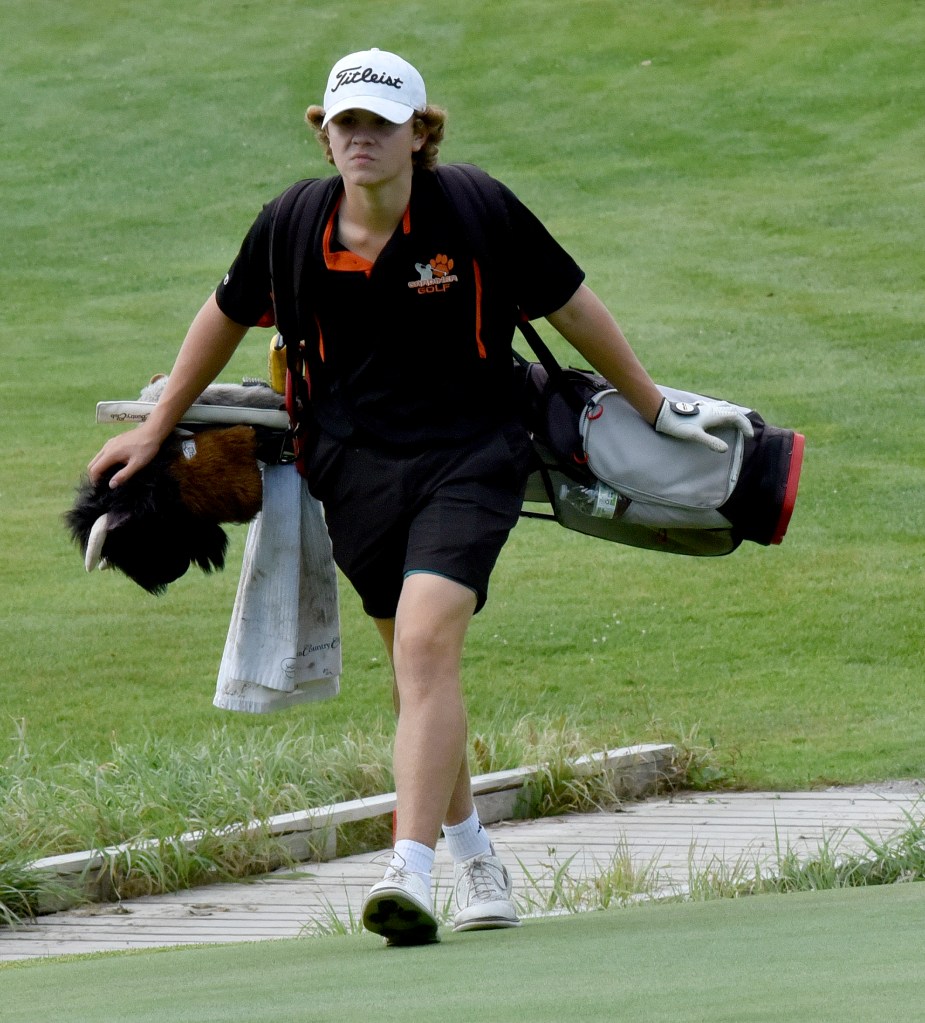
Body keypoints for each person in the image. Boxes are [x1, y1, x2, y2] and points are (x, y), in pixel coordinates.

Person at [88, 48, 753, 945]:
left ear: (419, 133)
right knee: (415, 673)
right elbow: (224, 313)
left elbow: (570, 305)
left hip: (472, 455)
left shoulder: (475, 209)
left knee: (428, 643)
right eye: (345, 123)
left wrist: (652, 404)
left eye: (381, 123)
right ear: (325, 134)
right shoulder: (291, 224)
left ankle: (409, 870)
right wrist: (157, 425)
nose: (360, 137)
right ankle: (476, 853)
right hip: (351, 470)